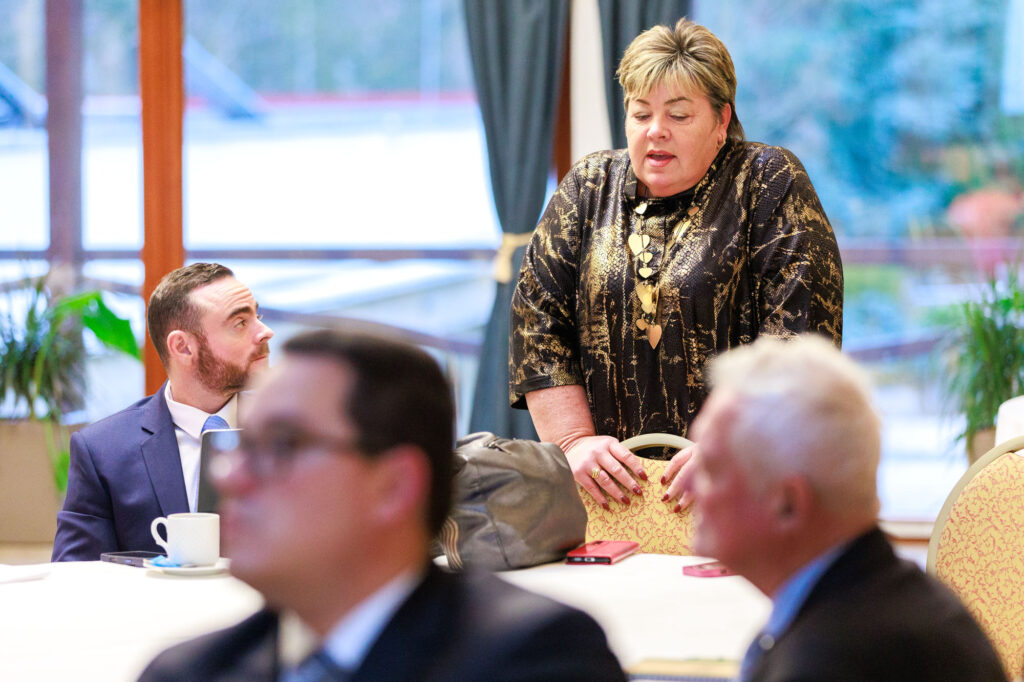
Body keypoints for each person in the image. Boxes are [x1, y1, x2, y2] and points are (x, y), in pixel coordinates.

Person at [138, 329, 625, 681]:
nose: (229, 476)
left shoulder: (532, 658)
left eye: (283, 446)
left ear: (394, 486)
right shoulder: (190, 671)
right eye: (242, 447)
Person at [509, 17, 843, 509]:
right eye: (640, 114)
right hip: (606, 491)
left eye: (679, 115)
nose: (656, 131)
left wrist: (734, 443)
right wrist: (573, 442)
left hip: (742, 485)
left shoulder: (768, 181)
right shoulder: (588, 186)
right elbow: (537, 321)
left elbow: (802, 340)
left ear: (721, 120)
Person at [688, 335, 1006, 682]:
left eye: (711, 469)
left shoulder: (827, 664)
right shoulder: (889, 602)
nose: (688, 484)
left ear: (788, 505)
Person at [52, 263, 274, 561]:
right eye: (240, 323)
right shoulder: (103, 452)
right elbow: (76, 574)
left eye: (257, 316)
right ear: (183, 347)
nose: (265, 332)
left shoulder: (293, 432)